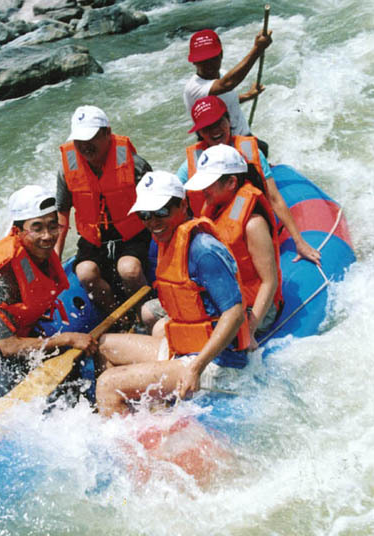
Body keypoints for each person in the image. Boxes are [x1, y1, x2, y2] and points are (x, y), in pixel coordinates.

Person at [95, 171, 250, 417]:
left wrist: (196, 368)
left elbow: (235, 313)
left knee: (107, 384)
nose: (153, 221)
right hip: (186, 350)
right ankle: (143, 418)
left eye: (162, 212)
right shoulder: (166, 240)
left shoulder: (203, 250)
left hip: (216, 362)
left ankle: (129, 448)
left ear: (183, 205)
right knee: (103, 346)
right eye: (145, 215)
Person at [0, 185, 98, 398]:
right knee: (16, 397)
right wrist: (67, 339)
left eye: (52, 226)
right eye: (37, 228)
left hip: (20, 331)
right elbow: (9, 347)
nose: (48, 236)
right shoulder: (2, 281)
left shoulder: (39, 253)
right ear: (18, 231)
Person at [177, 95, 321, 265]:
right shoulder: (189, 167)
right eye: (207, 127)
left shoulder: (252, 154)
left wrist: (299, 241)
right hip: (215, 234)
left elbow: (274, 198)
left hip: (252, 228)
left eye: (218, 122)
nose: (215, 130)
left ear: (229, 120)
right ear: (199, 133)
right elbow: (175, 206)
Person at [56, 105, 152, 318]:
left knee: (129, 269)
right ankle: (119, 318)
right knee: (84, 272)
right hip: (94, 239)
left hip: (132, 235)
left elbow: (154, 205)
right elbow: (62, 213)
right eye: (79, 141)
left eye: (91, 138)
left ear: (107, 133)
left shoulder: (135, 165)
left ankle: (144, 315)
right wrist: (54, 259)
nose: (84, 146)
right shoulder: (66, 171)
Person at [185, 144, 282, 350]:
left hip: (251, 308)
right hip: (221, 297)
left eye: (208, 183)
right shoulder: (214, 208)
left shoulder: (253, 223)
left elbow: (269, 282)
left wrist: (251, 329)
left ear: (231, 182)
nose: (203, 190)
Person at [183, 28, 272, 154]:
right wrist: (258, 49)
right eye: (202, 61)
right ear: (194, 62)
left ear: (221, 55)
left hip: (243, 136)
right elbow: (228, 84)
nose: (209, 64)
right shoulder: (194, 88)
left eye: (213, 58)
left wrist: (248, 95)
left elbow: (226, 99)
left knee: (263, 149)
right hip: (224, 144)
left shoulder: (222, 74)